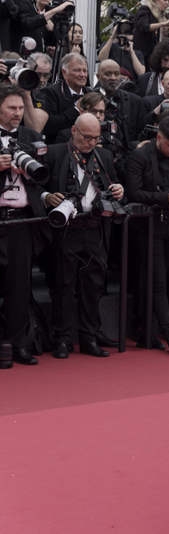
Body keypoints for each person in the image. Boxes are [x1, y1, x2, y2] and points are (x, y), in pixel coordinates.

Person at [43, 113, 125, 359]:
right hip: (66, 227)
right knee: (64, 284)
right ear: (74, 131)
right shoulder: (56, 153)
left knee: (93, 285)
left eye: (96, 138)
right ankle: (63, 338)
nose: (91, 143)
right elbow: (39, 184)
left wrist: (120, 190)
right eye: (87, 137)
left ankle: (89, 336)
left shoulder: (105, 156)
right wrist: (47, 197)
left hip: (96, 227)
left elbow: (116, 186)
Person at [124, 111, 169, 354]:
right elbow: (134, 193)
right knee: (157, 281)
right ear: (159, 137)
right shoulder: (139, 156)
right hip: (148, 227)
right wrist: (166, 198)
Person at [0, 85, 48, 368]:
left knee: (19, 287)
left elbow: (44, 176)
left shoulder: (31, 138)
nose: (18, 114)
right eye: (11, 108)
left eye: (20, 108)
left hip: (22, 223)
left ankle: (20, 344)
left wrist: (28, 171)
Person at [35, 52, 92, 141]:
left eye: (85, 71)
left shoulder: (91, 94)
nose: (82, 75)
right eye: (77, 70)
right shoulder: (50, 93)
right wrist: (76, 110)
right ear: (64, 72)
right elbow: (49, 125)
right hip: (60, 146)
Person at [133, 0, 169, 68]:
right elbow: (145, 27)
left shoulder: (159, 14)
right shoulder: (145, 9)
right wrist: (163, 24)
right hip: (142, 54)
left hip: (152, 54)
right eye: (165, 0)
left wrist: (168, 29)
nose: (167, 3)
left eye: (168, 1)